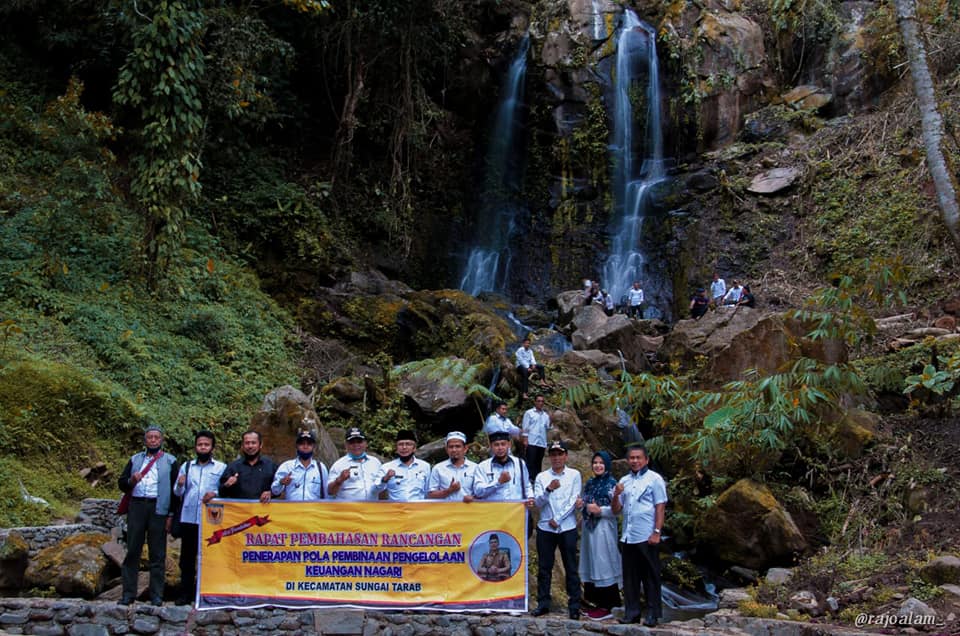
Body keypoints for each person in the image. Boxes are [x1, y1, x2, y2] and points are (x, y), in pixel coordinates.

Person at [117, 425, 179, 606]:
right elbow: (122, 483)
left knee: (157, 553)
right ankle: (128, 593)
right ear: (145, 440)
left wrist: (171, 514)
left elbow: (176, 490)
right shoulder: (135, 459)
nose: (153, 440)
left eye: (156, 438)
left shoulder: (170, 461)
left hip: (159, 508)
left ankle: (156, 595)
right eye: (150, 437)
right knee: (133, 550)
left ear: (161, 440)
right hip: (137, 506)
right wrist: (131, 480)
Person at [612, 445, 668, 627]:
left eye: (638, 458)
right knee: (630, 577)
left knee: (650, 576)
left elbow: (660, 506)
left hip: (646, 534)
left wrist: (657, 532)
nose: (635, 461)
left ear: (646, 460)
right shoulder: (624, 481)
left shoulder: (655, 479)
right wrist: (616, 495)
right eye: (632, 458)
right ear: (628, 460)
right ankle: (632, 612)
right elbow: (616, 509)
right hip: (628, 535)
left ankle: (653, 614)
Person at [172, 430, 225, 606]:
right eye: (200, 444)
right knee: (187, 558)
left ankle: (207, 593)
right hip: (188, 517)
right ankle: (185, 593)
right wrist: (179, 484)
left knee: (210, 557)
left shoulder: (221, 468)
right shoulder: (187, 466)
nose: (203, 447)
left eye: (206, 444)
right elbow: (178, 492)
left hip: (211, 519)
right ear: (196, 447)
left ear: (212, 447)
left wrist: (215, 493)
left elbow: (225, 490)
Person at [531, 441, 582, 619]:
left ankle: (574, 605)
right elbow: (537, 502)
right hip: (545, 528)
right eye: (553, 454)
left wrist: (558, 518)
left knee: (571, 567)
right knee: (545, 567)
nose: (557, 458)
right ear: (549, 457)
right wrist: (548, 490)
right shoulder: (541, 477)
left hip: (567, 526)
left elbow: (573, 500)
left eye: (560, 454)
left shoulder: (574, 475)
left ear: (566, 456)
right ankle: (543, 603)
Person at [579, 451, 622, 620]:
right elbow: (586, 503)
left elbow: (618, 509)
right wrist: (581, 506)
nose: (597, 465)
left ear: (607, 465)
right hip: (589, 529)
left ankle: (610, 605)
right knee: (591, 563)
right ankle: (596, 603)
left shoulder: (612, 484)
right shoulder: (590, 483)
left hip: (604, 528)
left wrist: (600, 511)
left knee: (604, 563)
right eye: (595, 462)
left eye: (601, 462)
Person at [218, 430, 276, 502]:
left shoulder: (270, 466)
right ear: (242, 446)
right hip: (239, 510)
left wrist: (271, 493)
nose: (250, 446)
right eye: (247, 443)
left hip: (263, 510)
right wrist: (227, 485)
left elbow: (279, 488)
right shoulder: (233, 467)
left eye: (253, 443)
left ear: (260, 445)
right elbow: (221, 493)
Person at [473, 431, 532, 502]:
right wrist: (498, 482)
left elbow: (527, 485)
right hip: (494, 511)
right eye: (496, 445)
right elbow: (478, 492)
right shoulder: (483, 466)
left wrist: (530, 497)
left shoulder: (519, 463)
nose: (500, 448)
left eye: (503, 444)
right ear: (491, 446)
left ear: (509, 445)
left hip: (516, 510)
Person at [271, 429, 329, 501]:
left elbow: (327, 494)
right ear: (297, 446)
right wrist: (281, 482)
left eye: (309, 444)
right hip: (292, 510)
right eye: (302, 444)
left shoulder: (320, 468)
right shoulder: (287, 466)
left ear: (313, 446)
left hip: (314, 511)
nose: (305, 446)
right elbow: (274, 491)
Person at [373, 430, 431, 501]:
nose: (404, 447)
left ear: (414, 448)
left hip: (418, 510)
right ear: (396, 448)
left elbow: (428, 492)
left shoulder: (425, 466)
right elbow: (374, 490)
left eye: (408, 444)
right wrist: (385, 479)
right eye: (400, 444)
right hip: (395, 510)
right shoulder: (386, 467)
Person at [327, 427, 382, 500]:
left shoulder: (375, 463)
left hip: (371, 509)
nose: (356, 445)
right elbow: (330, 492)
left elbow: (382, 489)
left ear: (366, 443)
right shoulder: (338, 465)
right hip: (348, 510)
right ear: (346, 444)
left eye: (359, 441)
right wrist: (339, 480)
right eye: (352, 442)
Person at [427, 431, 478, 501]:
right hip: (446, 511)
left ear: (465, 449)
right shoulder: (438, 468)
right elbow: (431, 495)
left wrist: (473, 498)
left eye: (458, 446)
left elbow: (481, 493)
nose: (454, 450)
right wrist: (449, 490)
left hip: (469, 510)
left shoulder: (475, 468)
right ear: (446, 449)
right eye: (451, 447)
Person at [521, 396, 551, 475]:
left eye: (542, 401)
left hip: (541, 442)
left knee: (538, 463)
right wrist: (525, 439)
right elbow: (525, 427)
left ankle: (537, 479)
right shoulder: (529, 413)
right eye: (538, 401)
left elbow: (548, 427)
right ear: (535, 402)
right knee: (530, 462)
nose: (540, 403)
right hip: (531, 441)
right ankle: (529, 479)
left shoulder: (546, 415)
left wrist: (552, 420)